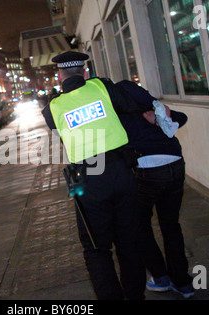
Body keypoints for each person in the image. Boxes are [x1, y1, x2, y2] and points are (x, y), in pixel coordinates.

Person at [42, 51, 154, 300]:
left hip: (86, 179)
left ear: (59, 76)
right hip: (121, 170)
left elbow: (57, 128)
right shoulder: (102, 87)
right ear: (84, 71)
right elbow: (131, 103)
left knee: (95, 247)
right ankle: (135, 297)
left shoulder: (53, 107)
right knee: (129, 240)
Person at [117, 80, 195, 298]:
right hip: (175, 167)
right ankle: (183, 283)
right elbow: (183, 118)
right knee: (171, 225)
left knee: (140, 226)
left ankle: (161, 277)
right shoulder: (153, 110)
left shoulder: (119, 116)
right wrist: (162, 116)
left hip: (147, 173)